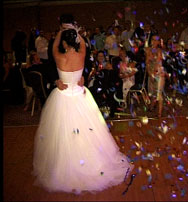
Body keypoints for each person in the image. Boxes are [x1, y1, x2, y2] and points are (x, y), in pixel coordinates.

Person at [32, 15, 133, 194]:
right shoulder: (82, 52)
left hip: (63, 97)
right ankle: (91, 163)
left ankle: (66, 167)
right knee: (87, 131)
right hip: (80, 94)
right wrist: (75, 33)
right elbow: (84, 44)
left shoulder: (58, 55)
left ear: (64, 43)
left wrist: (61, 33)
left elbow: (53, 48)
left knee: (63, 134)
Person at [145, 34, 166, 118]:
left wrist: (154, 73)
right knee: (152, 92)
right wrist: (150, 73)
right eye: (153, 40)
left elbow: (158, 63)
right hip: (151, 72)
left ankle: (159, 113)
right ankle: (152, 106)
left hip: (159, 73)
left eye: (156, 40)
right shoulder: (148, 50)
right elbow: (147, 63)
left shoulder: (159, 51)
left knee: (158, 93)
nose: (154, 41)